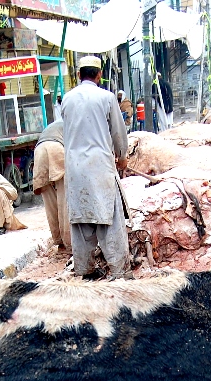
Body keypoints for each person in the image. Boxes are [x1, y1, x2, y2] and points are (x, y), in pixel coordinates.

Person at [62, 55, 131, 279]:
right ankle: (119, 271)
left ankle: (84, 270)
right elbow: (118, 132)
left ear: (78, 75)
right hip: (99, 166)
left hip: (75, 168)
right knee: (109, 219)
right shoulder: (107, 97)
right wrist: (122, 156)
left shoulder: (67, 99)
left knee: (81, 222)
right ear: (99, 74)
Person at [31, 121, 70, 248]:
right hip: (57, 148)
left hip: (39, 151)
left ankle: (58, 240)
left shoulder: (57, 123)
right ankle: (69, 243)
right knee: (64, 199)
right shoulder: (75, 120)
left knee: (49, 200)